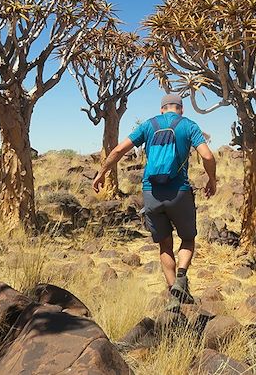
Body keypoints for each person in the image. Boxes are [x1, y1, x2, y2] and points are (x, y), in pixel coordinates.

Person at [93, 93, 217, 308]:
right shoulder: (188, 125)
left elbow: (119, 149)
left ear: (162, 109)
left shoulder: (149, 125)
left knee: (164, 246)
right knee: (187, 239)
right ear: (181, 109)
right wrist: (212, 180)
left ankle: (173, 297)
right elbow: (207, 156)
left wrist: (102, 172)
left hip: (152, 193)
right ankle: (181, 277)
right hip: (179, 191)